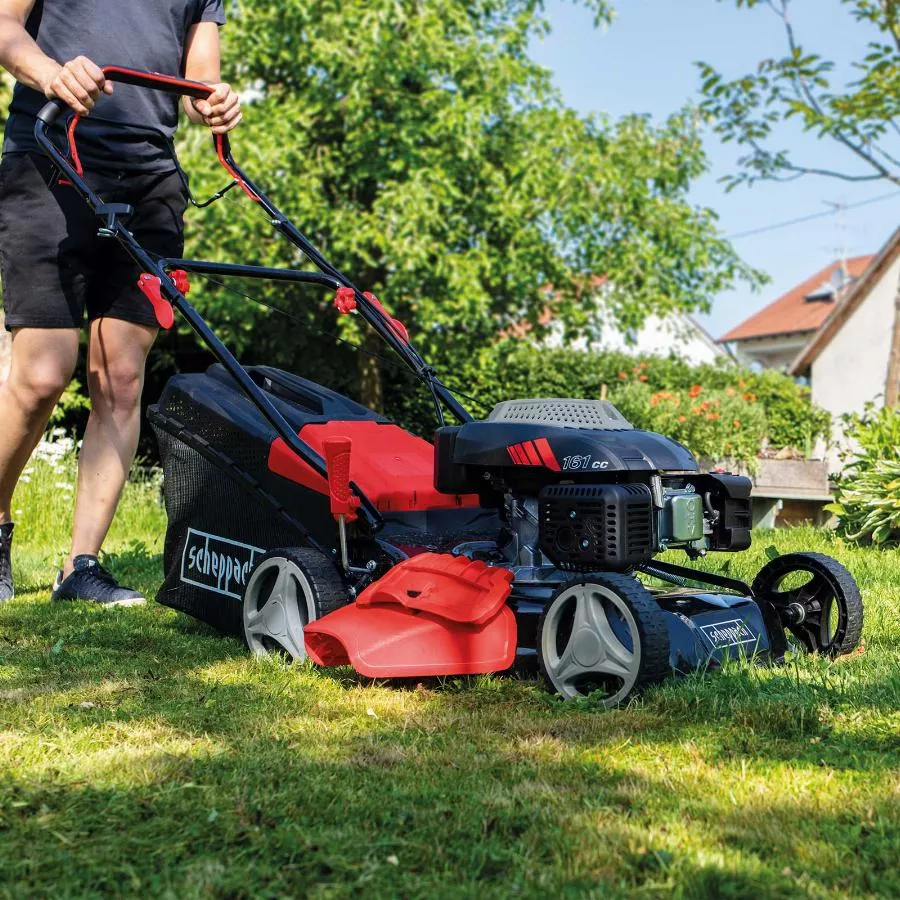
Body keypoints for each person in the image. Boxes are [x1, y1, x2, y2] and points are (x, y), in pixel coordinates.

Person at [0, 0, 241, 605]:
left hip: (150, 177)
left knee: (122, 379)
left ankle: (80, 566)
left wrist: (213, 101)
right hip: (49, 156)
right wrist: (52, 73)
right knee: (42, 375)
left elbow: (199, 77)